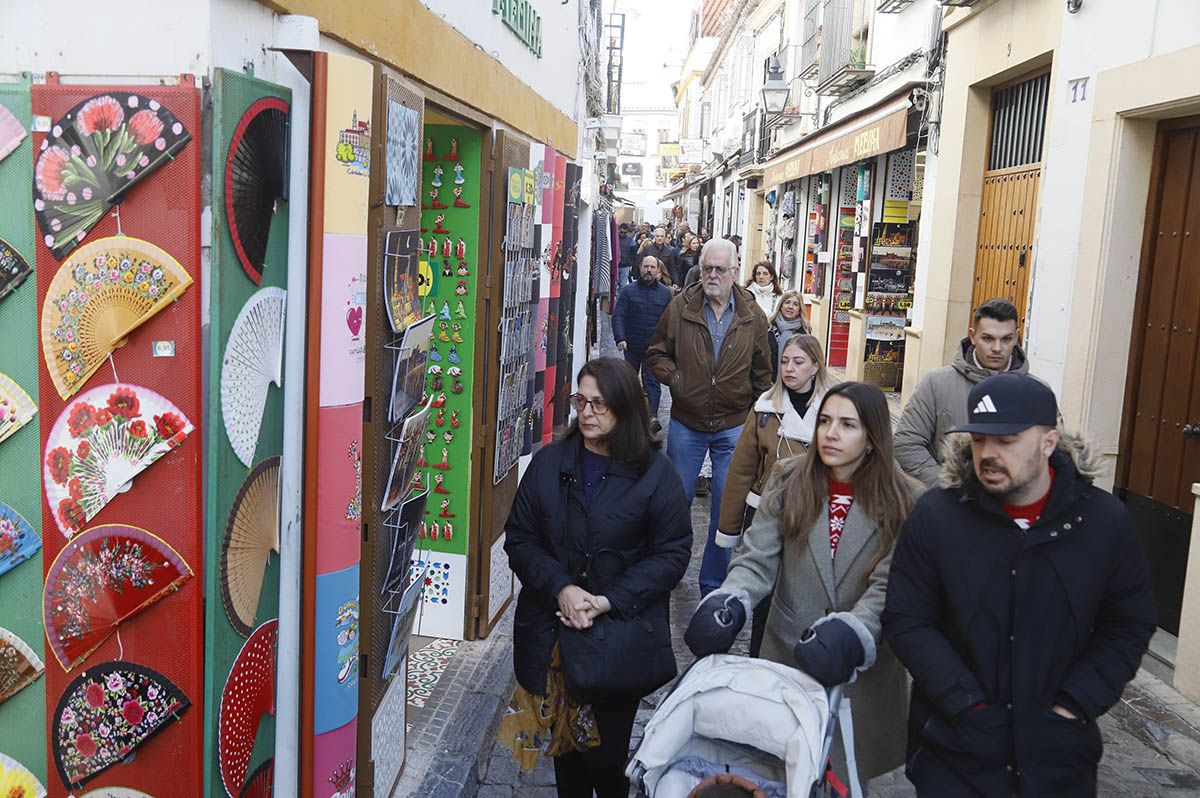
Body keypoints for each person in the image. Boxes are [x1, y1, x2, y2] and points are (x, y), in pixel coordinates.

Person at [883, 373, 1155, 797]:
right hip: (954, 755)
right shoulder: (936, 516)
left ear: (1048, 443)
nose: (988, 454)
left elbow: (1128, 624)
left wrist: (1074, 704)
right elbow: (907, 618)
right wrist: (965, 704)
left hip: (1058, 761)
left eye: (1006, 440)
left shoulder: (1103, 522)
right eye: (978, 440)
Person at [686, 381, 916, 793]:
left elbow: (891, 582)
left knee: (843, 776)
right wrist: (732, 598)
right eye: (825, 421)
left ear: (872, 438)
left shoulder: (905, 499)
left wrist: (853, 630)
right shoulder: (790, 477)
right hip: (789, 660)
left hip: (862, 676)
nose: (830, 433)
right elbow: (757, 558)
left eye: (848, 425)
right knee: (784, 777)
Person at [502, 358, 692, 798]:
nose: (587, 413)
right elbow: (521, 539)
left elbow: (671, 552)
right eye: (581, 402)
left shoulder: (654, 474)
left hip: (618, 637)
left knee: (606, 763)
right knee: (566, 754)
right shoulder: (551, 463)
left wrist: (609, 600)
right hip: (554, 631)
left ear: (624, 409)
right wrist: (561, 588)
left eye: (599, 404)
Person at [647, 238, 774, 595]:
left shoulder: (752, 315)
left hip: (733, 425)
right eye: (707, 269)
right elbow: (656, 354)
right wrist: (679, 381)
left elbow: (763, 371)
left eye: (720, 269)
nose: (712, 275)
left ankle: (713, 583)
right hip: (687, 423)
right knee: (676, 501)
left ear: (735, 272)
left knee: (726, 507)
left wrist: (758, 413)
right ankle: (668, 571)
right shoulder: (681, 307)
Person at [717, 334, 831, 656]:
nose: (789, 368)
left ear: (814, 367)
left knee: (804, 596)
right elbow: (741, 471)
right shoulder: (765, 409)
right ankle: (759, 660)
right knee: (764, 600)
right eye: (784, 361)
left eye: (798, 362)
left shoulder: (832, 411)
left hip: (813, 515)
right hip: (766, 514)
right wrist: (729, 527)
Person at [894, 297, 1030, 487]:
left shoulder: (1036, 392)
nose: (997, 348)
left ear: (1016, 337)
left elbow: (1050, 451)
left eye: (1006, 339)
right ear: (973, 336)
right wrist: (948, 487)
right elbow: (905, 443)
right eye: (988, 338)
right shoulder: (936, 383)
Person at [612, 255, 673, 426]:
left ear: (658, 270)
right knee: (630, 381)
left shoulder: (665, 293)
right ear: (640, 268)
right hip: (631, 344)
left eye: (652, 267)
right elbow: (619, 316)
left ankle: (652, 416)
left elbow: (671, 321)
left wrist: (669, 344)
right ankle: (629, 414)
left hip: (654, 348)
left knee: (653, 382)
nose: (649, 270)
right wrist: (620, 337)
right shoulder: (628, 291)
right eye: (646, 266)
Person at [766, 290, 811, 378]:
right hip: (769, 381)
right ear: (781, 306)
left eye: (795, 304)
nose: (790, 307)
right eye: (787, 302)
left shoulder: (804, 332)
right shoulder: (768, 327)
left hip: (794, 381)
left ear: (799, 310)